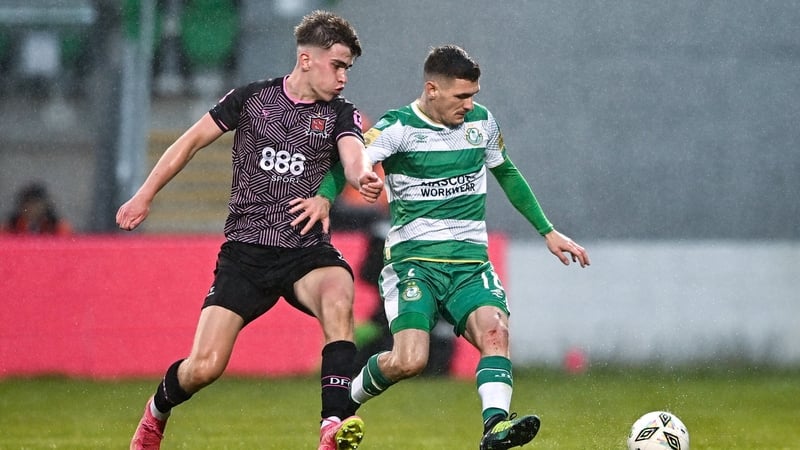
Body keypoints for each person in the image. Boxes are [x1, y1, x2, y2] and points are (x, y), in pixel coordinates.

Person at [291, 44, 590, 449]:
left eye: (474, 96)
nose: (470, 105)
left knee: (496, 334)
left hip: (469, 266)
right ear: (432, 89)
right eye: (461, 96)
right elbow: (350, 159)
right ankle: (343, 407)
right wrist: (329, 195)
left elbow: (509, 174)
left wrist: (548, 231)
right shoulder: (398, 128)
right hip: (416, 265)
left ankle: (494, 429)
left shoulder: (481, 124)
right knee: (409, 360)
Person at [116, 11, 382, 450]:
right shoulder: (250, 99)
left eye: (347, 69)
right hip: (245, 254)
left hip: (304, 251)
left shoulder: (341, 114)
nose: (343, 78)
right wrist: (144, 194)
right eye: (337, 66)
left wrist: (361, 177)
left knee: (339, 291)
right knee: (204, 367)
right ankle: (155, 414)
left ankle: (332, 424)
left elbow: (353, 156)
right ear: (306, 59)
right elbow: (189, 142)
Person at [2, 182, 72, 235]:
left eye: (36, 204)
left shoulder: (57, 226)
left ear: (45, 205)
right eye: (28, 203)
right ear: (22, 205)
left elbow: (67, 244)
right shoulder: (11, 226)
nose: (32, 208)